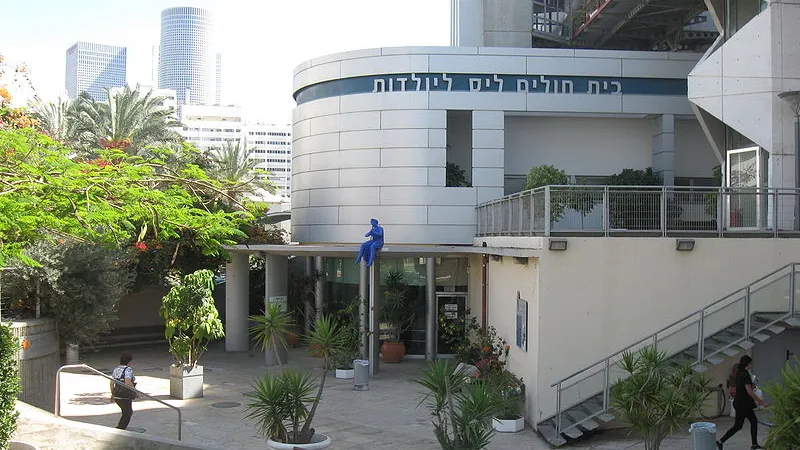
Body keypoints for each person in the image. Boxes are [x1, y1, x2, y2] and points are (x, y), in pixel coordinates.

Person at [717, 355, 767, 450]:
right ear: (747, 364)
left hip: (740, 402)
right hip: (743, 404)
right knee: (747, 423)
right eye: (750, 363)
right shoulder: (745, 375)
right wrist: (761, 401)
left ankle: (721, 441)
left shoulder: (740, 373)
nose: (751, 365)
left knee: (742, 425)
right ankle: (753, 445)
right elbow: (749, 391)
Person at [110, 351, 136, 430]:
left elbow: (111, 383)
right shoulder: (128, 370)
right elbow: (127, 382)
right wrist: (135, 391)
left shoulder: (116, 369)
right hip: (125, 395)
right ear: (129, 361)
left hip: (117, 394)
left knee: (126, 412)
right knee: (128, 413)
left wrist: (113, 394)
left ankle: (120, 427)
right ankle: (120, 429)